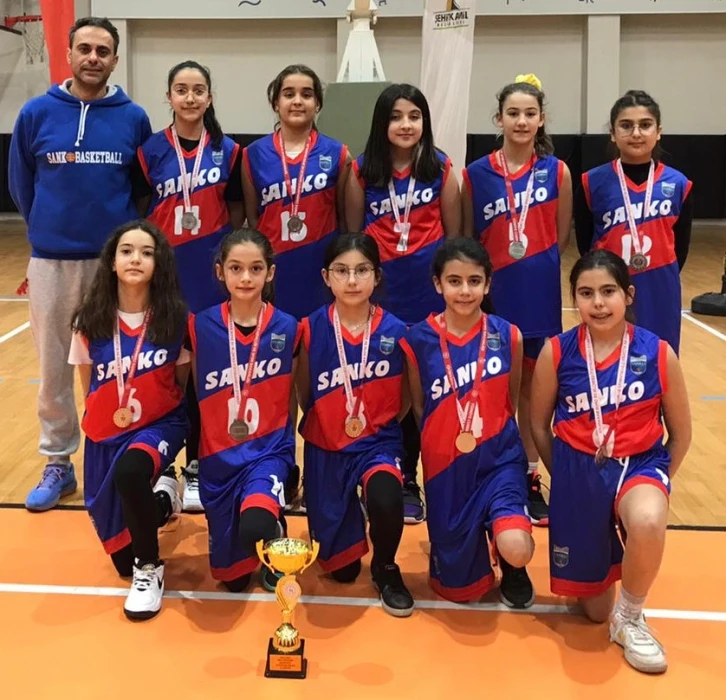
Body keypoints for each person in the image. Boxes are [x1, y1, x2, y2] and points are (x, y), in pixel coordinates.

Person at [8, 16, 152, 512]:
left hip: (113, 266)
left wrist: (123, 245)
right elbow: (22, 185)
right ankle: (58, 461)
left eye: (103, 51)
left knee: (116, 364)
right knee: (53, 369)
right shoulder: (36, 113)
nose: (93, 58)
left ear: (115, 60)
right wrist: (47, 228)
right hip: (51, 262)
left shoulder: (133, 118)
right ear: (69, 54)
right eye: (85, 48)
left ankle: (116, 455)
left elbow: (141, 189)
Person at [530, 250, 691, 674]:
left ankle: (631, 617)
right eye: (586, 293)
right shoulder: (556, 352)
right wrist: (565, 480)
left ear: (628, 295)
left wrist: (656, 483)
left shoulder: (657, 352)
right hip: (578, 473)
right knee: (595, 611)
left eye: (608, 291)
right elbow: (539, 426)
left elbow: (682, 434)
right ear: (574, 299)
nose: (598, 303)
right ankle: (609, 583)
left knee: (648, 519)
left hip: (638, 465)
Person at [346, 83, 461, 525]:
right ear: (382, 123)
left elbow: (454, 238)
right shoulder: (361, 171)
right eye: (396, 116)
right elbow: (353, 240)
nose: (406, 124)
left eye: (415, 116)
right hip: (383, 297)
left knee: (423, 391)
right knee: (385, 389)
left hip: (427, 296)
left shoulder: (440, 168)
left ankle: (415, 478)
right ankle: (381, 471)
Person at [462, 74, 572, 527]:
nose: (521, 121)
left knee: (532, 392)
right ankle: (487, 471)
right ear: (499, 119)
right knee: (488, 385)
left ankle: (528, 474)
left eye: (530, 113)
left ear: (541, 119)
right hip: (493, 299)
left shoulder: (557, 172)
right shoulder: (476, 174)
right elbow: (468, 238)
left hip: (539, 298)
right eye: (513, 113)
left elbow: (561, 236)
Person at [134, 60, 244, 512]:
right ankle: (163, 467)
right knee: (164, 373)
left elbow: (236, 213)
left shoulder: (229, 151)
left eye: (198, 90)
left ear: (210, 97)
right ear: (169, 97)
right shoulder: (149, 152)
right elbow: (143, 209)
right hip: (166, 278)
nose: (190, 97)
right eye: (181, 89)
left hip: (210, 279)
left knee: (203, 376)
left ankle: (198, 464)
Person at [402, 238, 535, 608]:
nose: (464, 290)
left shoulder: (508, 335)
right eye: (454, 281)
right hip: (447, 467)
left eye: (474, 281)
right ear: (438, 284)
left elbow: (509, 400)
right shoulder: (417, 340)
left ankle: (511, 563)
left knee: (516, 546)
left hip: (499, 460)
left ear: (488, 284)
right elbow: (419, 407)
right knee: (460, 592)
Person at [242, 64, 350, 509]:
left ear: (318, 103)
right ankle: (282, 470)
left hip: (321, 285)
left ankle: (326, 472)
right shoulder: (252, 155)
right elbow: (253, 220)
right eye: (289, 93)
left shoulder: (337, 154)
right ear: (275, 102)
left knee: (323, 382)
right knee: (278, 385)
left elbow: (345, 219)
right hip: (276, 286)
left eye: (307, 93)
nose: (298, 101)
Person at [69, 220, 189, 621]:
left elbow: (180, 385)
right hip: (108, 431)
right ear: (112, 262)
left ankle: (150, 569)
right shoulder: (89, 321)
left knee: (132, 470)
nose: (136, 258)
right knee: (120, 556)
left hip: (160, 424)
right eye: (126, 251)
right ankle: (164, 498)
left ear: (159, 264)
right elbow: (89, 390)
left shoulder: (175, 319)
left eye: (147, 252)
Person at [296, 233, 414, 617]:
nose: (351, 281)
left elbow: (405, 397)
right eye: (342, 271)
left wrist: (378, 426)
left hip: (376, 442)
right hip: (326, 445)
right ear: (326, 277)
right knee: (342, 572)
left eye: (362, 271)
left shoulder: (397, 331)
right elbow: (304, 393)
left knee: (386, 495)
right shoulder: (309, 329)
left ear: (376, 276)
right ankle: (346, 520)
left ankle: (386, 566)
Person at [188, 228, 299, 592]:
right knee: (232, 580)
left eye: (256, 268)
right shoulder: (199, 326)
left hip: (268, 452)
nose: (246, 277)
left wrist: (290, 459)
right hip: (218, 457)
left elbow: (292, 395)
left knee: (256, 524)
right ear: (220, 272)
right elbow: (195, 392)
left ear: (271, 272)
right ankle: (257, 534)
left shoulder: (289, 328)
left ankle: (273, 528)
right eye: (236, 268)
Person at [575, 90, 693, 355]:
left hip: (659, 285)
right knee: (606, 356)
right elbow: (585, 243)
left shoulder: (678, 184)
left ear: (658, 131)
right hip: (609, 285)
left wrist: (660, 273)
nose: (636, 133)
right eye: (626, 125)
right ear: (613, 133)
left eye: (645, 125)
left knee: (659, 357)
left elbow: (681, 247)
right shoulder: (592, 182)